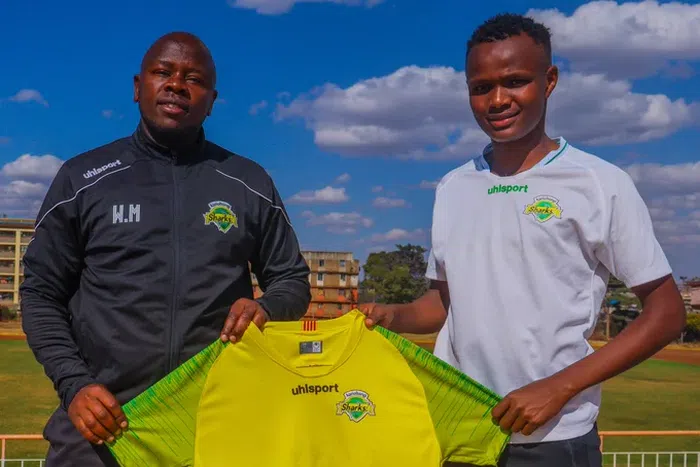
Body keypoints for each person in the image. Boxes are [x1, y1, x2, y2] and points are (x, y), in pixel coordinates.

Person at [359, 13, 687, 467]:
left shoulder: (598, 183)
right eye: (481, 87)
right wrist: (392, 315)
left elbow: (667, 312)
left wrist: (559, 388)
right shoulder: (453, 186)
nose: (497, 100)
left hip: (553, 438)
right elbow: (445, 304)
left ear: (549, 81)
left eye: (515, 82)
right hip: (460, 431)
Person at [20, 31, 311, 467]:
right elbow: (41, 293)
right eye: (163, 73)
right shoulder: (82, 178)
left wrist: (266, 308)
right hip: (101, 430)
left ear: (212, 101)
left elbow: (292, 280)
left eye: (194, 79)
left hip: (213, 428)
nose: (177, 84)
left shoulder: (249, 182)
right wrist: (73, 383)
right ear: (139, 88)